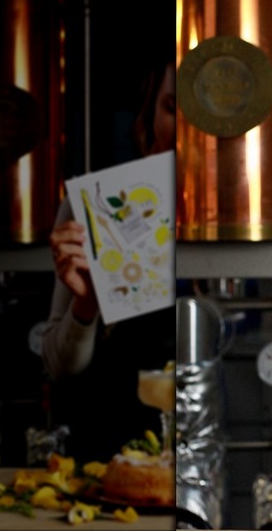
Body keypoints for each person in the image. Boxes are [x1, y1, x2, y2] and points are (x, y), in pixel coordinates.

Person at [41, 56, 176, 463]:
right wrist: (86, 305)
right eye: (172, 107)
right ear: (150, 116)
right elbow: (58, 367)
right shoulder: (97, 208)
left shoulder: (250, 221)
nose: (186, 127)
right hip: (110, 454)